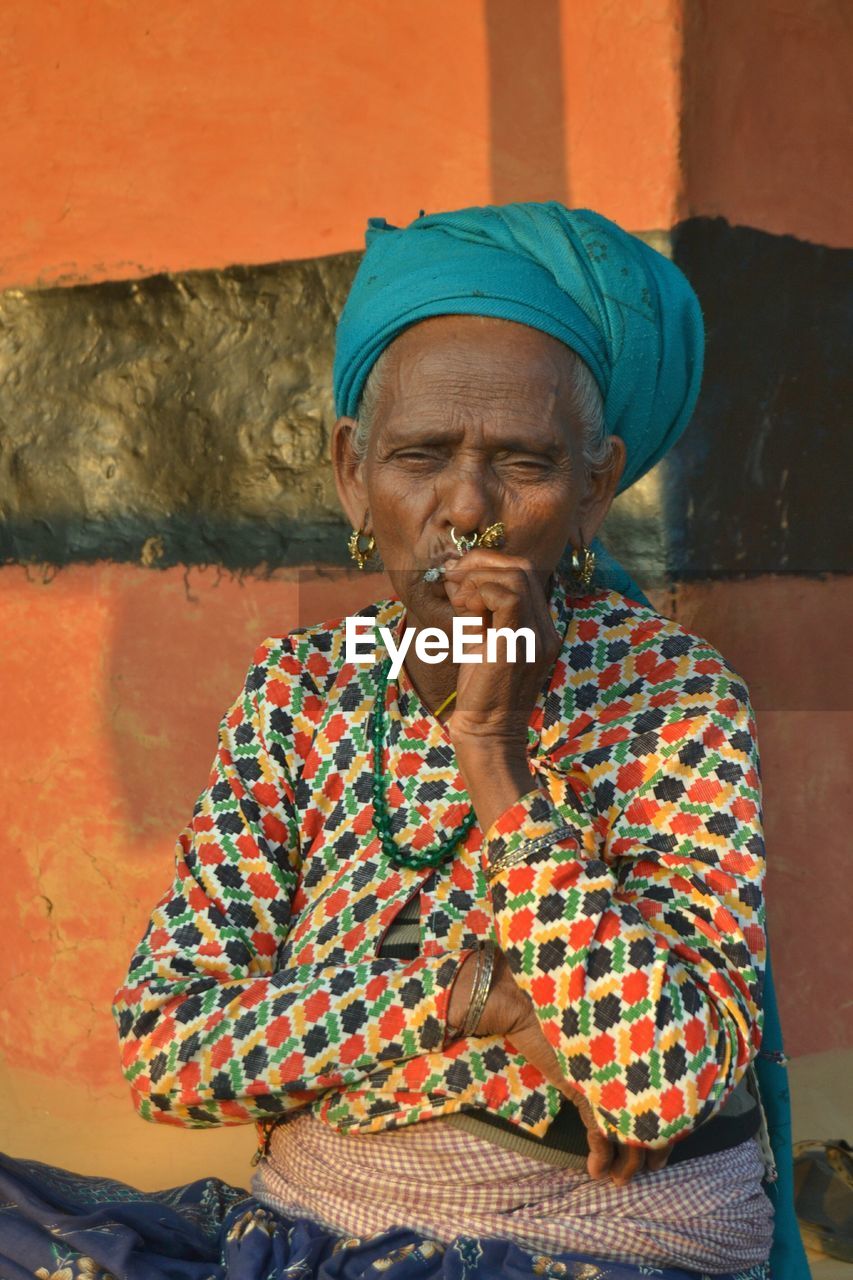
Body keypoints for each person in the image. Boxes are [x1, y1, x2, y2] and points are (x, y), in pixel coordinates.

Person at [0, 202, 809, 1279]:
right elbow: (169, 1049)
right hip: (314, 1227)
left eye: (520, 462)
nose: (465, 509)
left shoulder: (674, 696)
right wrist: (466, 996)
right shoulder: (303, 689)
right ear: (351, 471)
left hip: (595, 1244)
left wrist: (493, 752)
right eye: (421, 454)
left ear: (594, 488)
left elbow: (654, 1082)